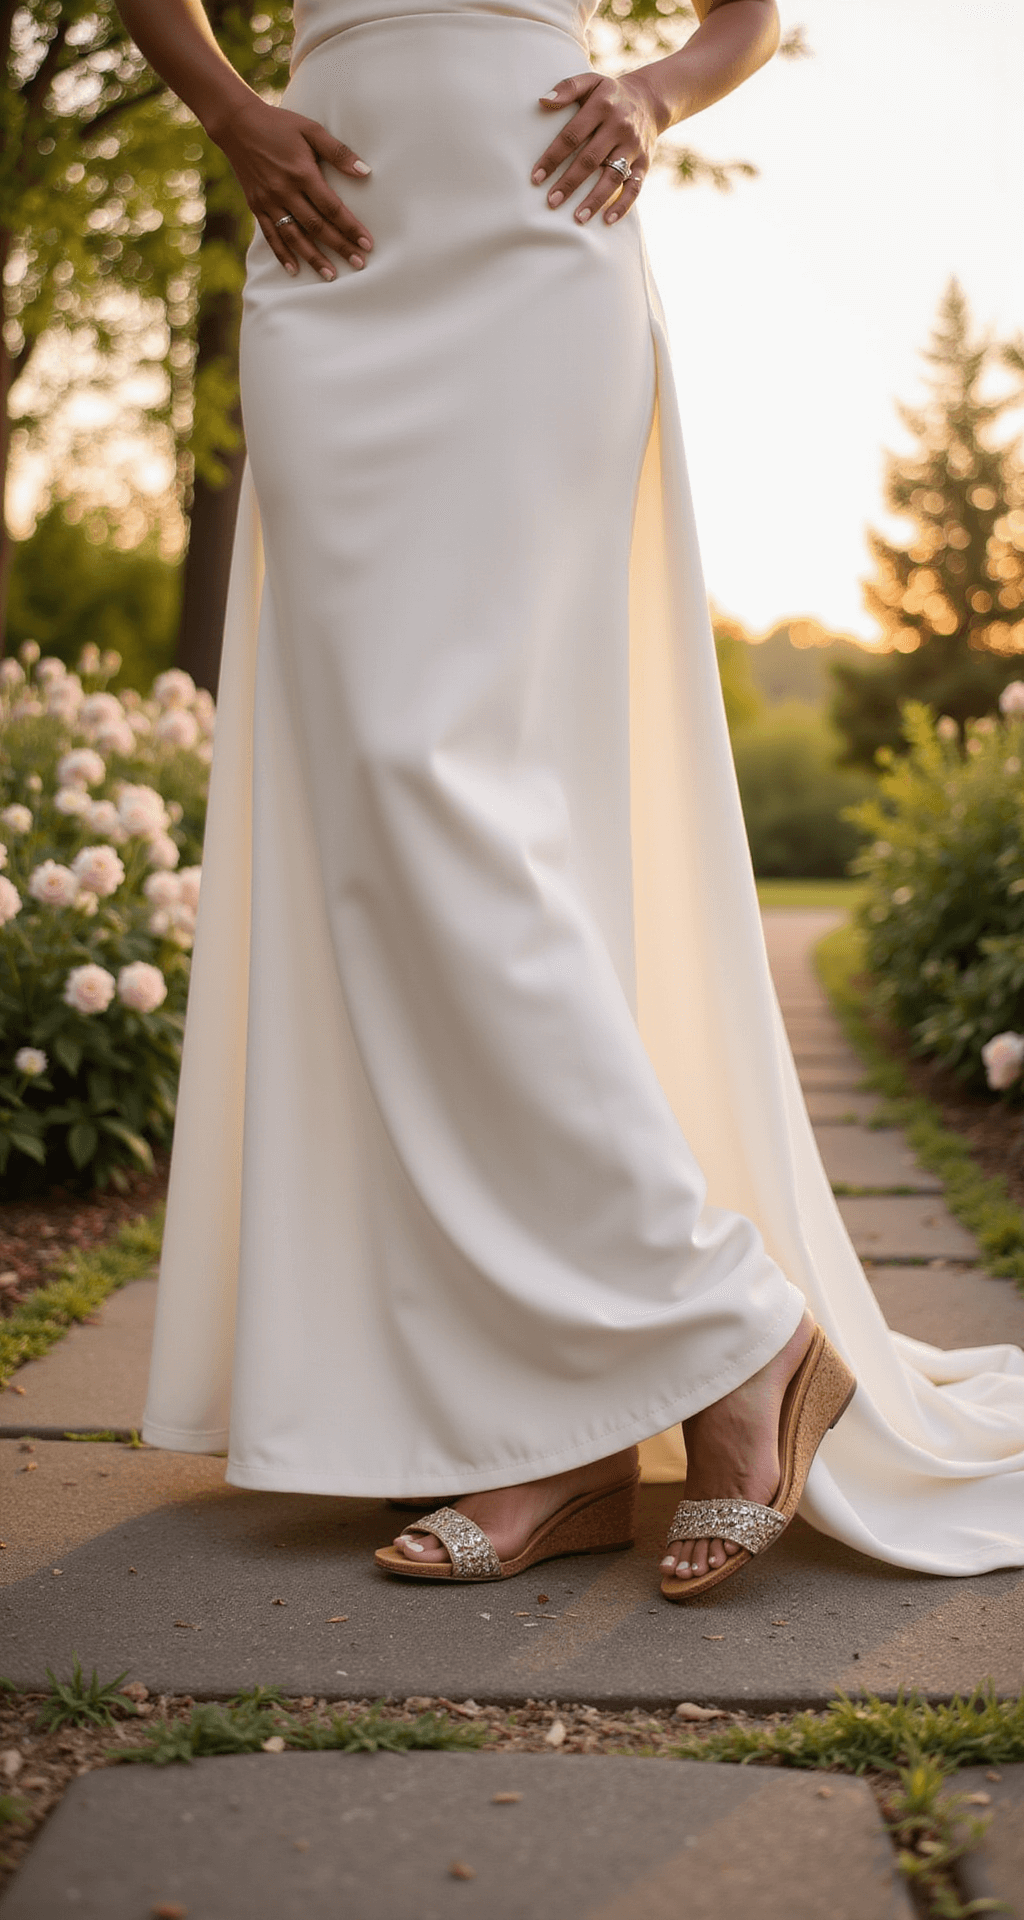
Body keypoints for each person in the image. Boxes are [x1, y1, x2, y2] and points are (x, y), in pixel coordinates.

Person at [121, 0, 1024, 1596]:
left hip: (542, 234)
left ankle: (709, 1348)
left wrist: (667, 90)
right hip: (328, 237)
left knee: (462, 798)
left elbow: (749, 13)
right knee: (382, 827)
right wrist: (225, 105)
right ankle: (595, 1408)